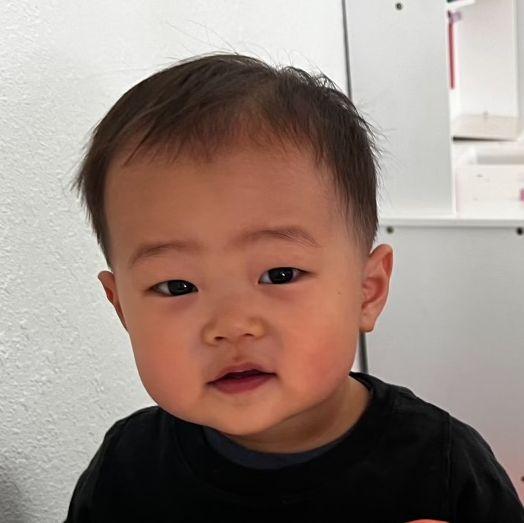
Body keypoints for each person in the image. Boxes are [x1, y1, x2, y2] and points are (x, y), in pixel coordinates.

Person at [65, 53, 524, 522]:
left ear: (367, 291)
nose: (231, 325)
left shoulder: (441, 468)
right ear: (122, 309)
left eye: (279, 275)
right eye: (177, 286)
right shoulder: (128, 470)